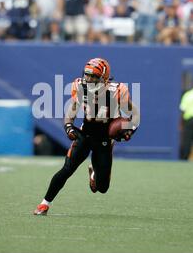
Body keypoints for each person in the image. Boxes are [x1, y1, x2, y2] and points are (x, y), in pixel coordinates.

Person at [33, 58, 140, 215]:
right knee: (67, 169)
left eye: (94, 76)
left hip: (105, 138)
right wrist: (68, 125)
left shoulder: (117, 91)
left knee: (102, 188)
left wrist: (129, 129)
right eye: (87, 75)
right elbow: (73, 108)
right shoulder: (79, 86)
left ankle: (94, 172)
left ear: (104, 78)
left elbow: (134, 113)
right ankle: (44, 204)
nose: (89, 79)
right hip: (86, 134)